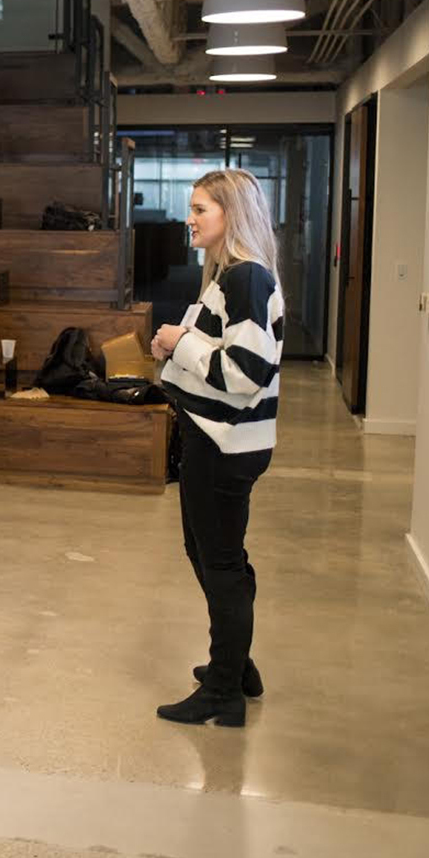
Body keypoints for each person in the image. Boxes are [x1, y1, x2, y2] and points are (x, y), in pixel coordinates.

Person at [151, 168, 284, 728]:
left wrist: (178, 343)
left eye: (201, 208)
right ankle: (236, 664)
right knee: (212, 555)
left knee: (220, 562)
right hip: (213, 440)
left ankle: (225, 690)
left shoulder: (245, 277)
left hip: (224, 445)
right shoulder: (229, 275)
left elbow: (247, 371)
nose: (190, 218)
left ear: (231, 213)